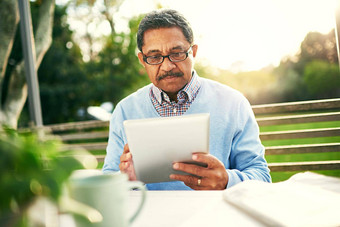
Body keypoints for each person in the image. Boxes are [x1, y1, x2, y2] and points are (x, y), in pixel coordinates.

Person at [102, 9, 271, 190]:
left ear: (194, 52)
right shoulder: (125, 111)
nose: (167, 66)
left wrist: (226, 180)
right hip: (150, 216)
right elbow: (108, 180)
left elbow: (261, 176)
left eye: (177, 53)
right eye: (155, 57)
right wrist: (124, 180)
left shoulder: (233, 104)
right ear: (142, 60)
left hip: (215, 214)